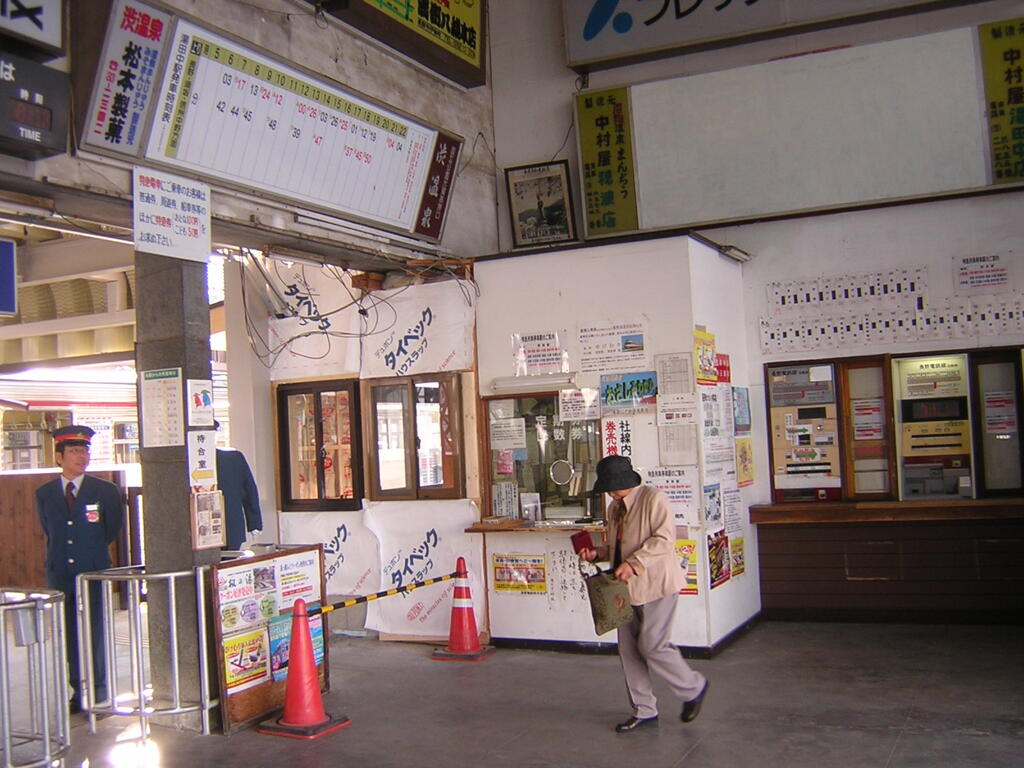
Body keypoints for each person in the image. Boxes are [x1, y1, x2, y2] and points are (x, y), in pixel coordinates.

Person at [579, 455, 708, 733]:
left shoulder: (654, 499)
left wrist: (634, 563)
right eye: (608, 489)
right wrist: (597, 554)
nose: (611, 493)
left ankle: (693, 687)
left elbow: (663, 539)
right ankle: (644, 710)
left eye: (614, 487)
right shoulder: (614, 508)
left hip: (656, 585)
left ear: (627, 481)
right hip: (624, 589)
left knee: (652, 645)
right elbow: (617, 547)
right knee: (628, 651)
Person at [35, 425, 124, 713]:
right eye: (74, 451)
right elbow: (50, 530)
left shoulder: (105, 490)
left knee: (94, 631)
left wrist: (90, 551)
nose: (82, 456)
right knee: (69, 632)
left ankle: (98, 692)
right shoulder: (44, 493)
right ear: (59, 457)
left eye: (85, 451)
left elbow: (111, 529)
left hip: (93, 571)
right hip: (61, 573)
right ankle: (77, 691)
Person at [214, 421, 263, 550]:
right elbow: (249, 491)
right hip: (231, 530)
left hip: (230, 530)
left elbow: (249, 491)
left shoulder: (233, 459)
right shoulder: (233, 459)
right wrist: (254, 523)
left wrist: (254, 522)